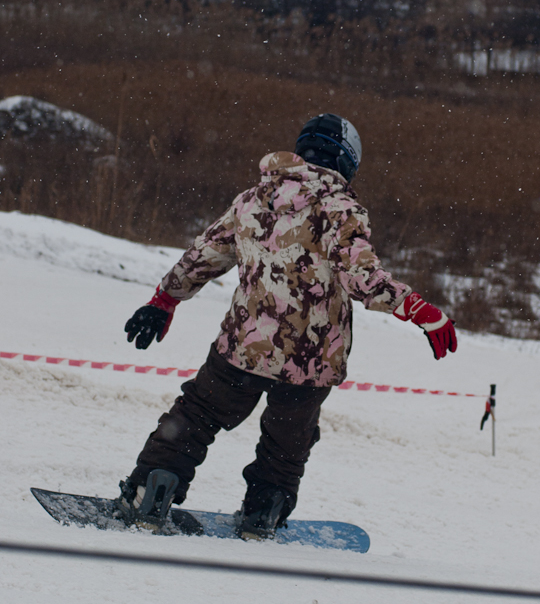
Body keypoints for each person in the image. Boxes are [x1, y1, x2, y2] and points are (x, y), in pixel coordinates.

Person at [118, 114, 457, 538]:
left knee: (196, 416)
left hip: (244, 347)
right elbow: (360, 276)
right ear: (348, 161)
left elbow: (203, 255)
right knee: (287, 443)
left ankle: (152, 488)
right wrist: (418, 308)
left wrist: (164, 300)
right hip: (312, 360)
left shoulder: (253, 200)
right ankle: (264, 512)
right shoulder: (341, 208)